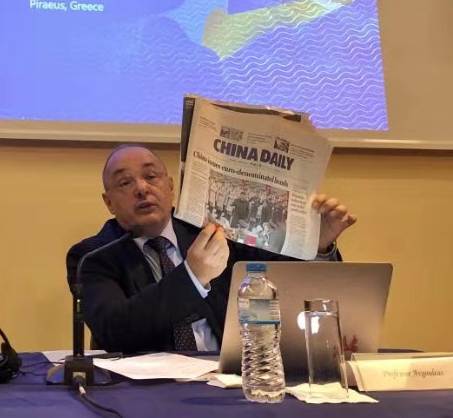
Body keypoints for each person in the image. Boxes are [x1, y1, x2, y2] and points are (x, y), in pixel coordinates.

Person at [65, 144, 355, 354]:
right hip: (147, 391)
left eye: (151, 177)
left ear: (170, 187)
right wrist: (192, 276)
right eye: (125, 182)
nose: (141, 188)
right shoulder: (92, 256)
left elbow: (285, 277)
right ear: (109, 202)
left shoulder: (215, 230)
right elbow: (115, 332)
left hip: (228, 378)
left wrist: (318, 246)